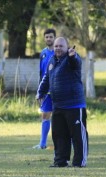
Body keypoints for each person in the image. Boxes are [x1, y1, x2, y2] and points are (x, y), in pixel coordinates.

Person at [36, 37, 88, 167]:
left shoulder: (72, 58)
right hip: (58, 105)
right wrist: (40, 93)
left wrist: (72, 56)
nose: (58, 48)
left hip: (74, 105)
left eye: (61, 46)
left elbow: (75, 63)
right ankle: (60, 161)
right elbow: (46, 78)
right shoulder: (52, 60)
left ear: (67, 48)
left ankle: (79, 162)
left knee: (77, 136)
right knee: (59, 135)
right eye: (56, 46)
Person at [33, 28, 56, 149]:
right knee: (45, 115)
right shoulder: (43, 53)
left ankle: (69, 142)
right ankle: (42, 143)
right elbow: (41, 73)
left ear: (54, 38)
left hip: (57, 89)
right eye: (47, 37)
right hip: (46, 90)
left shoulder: (59, 52)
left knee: (62, 116)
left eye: (51, 37)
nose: (48, 39)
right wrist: (40, 91)